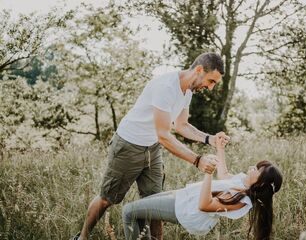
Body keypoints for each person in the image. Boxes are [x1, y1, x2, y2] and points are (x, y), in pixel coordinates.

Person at [71, 52, 231, 240]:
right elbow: (163, 135)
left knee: (156, 204)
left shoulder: (188, 90)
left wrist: (209, 139)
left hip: (152, 149)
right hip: (128, 145)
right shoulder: (166, 86)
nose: (210, 88)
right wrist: (197, 160)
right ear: (198, 70)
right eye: (211, 81)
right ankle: (81, 237)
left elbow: (181, 125)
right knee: (108, 199)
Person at [122, 134, 283, 240]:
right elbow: (224, 175)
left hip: (186, 210)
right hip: (185, 196)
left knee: (128, 212)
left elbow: (205, 205)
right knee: (138, 213)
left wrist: (208, 173)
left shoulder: (242, 201)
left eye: (257, 170)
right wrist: (220, 148)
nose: (252, 167)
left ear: (261, 183)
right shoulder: (243, 182)